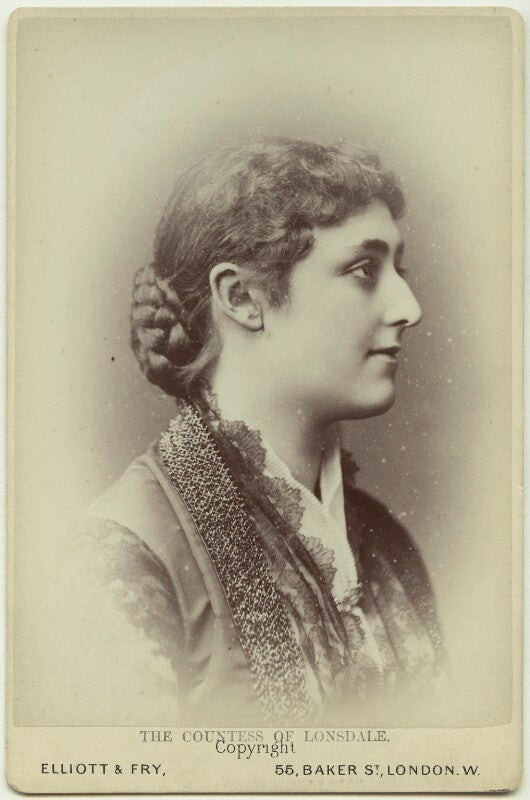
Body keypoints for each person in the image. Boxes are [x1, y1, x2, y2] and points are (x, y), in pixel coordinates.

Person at [75, 137, 446, 726]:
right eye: (364, 270)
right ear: (242, 298)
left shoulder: (386, 544)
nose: (409, 307)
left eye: (398, 270)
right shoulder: (123, 559)